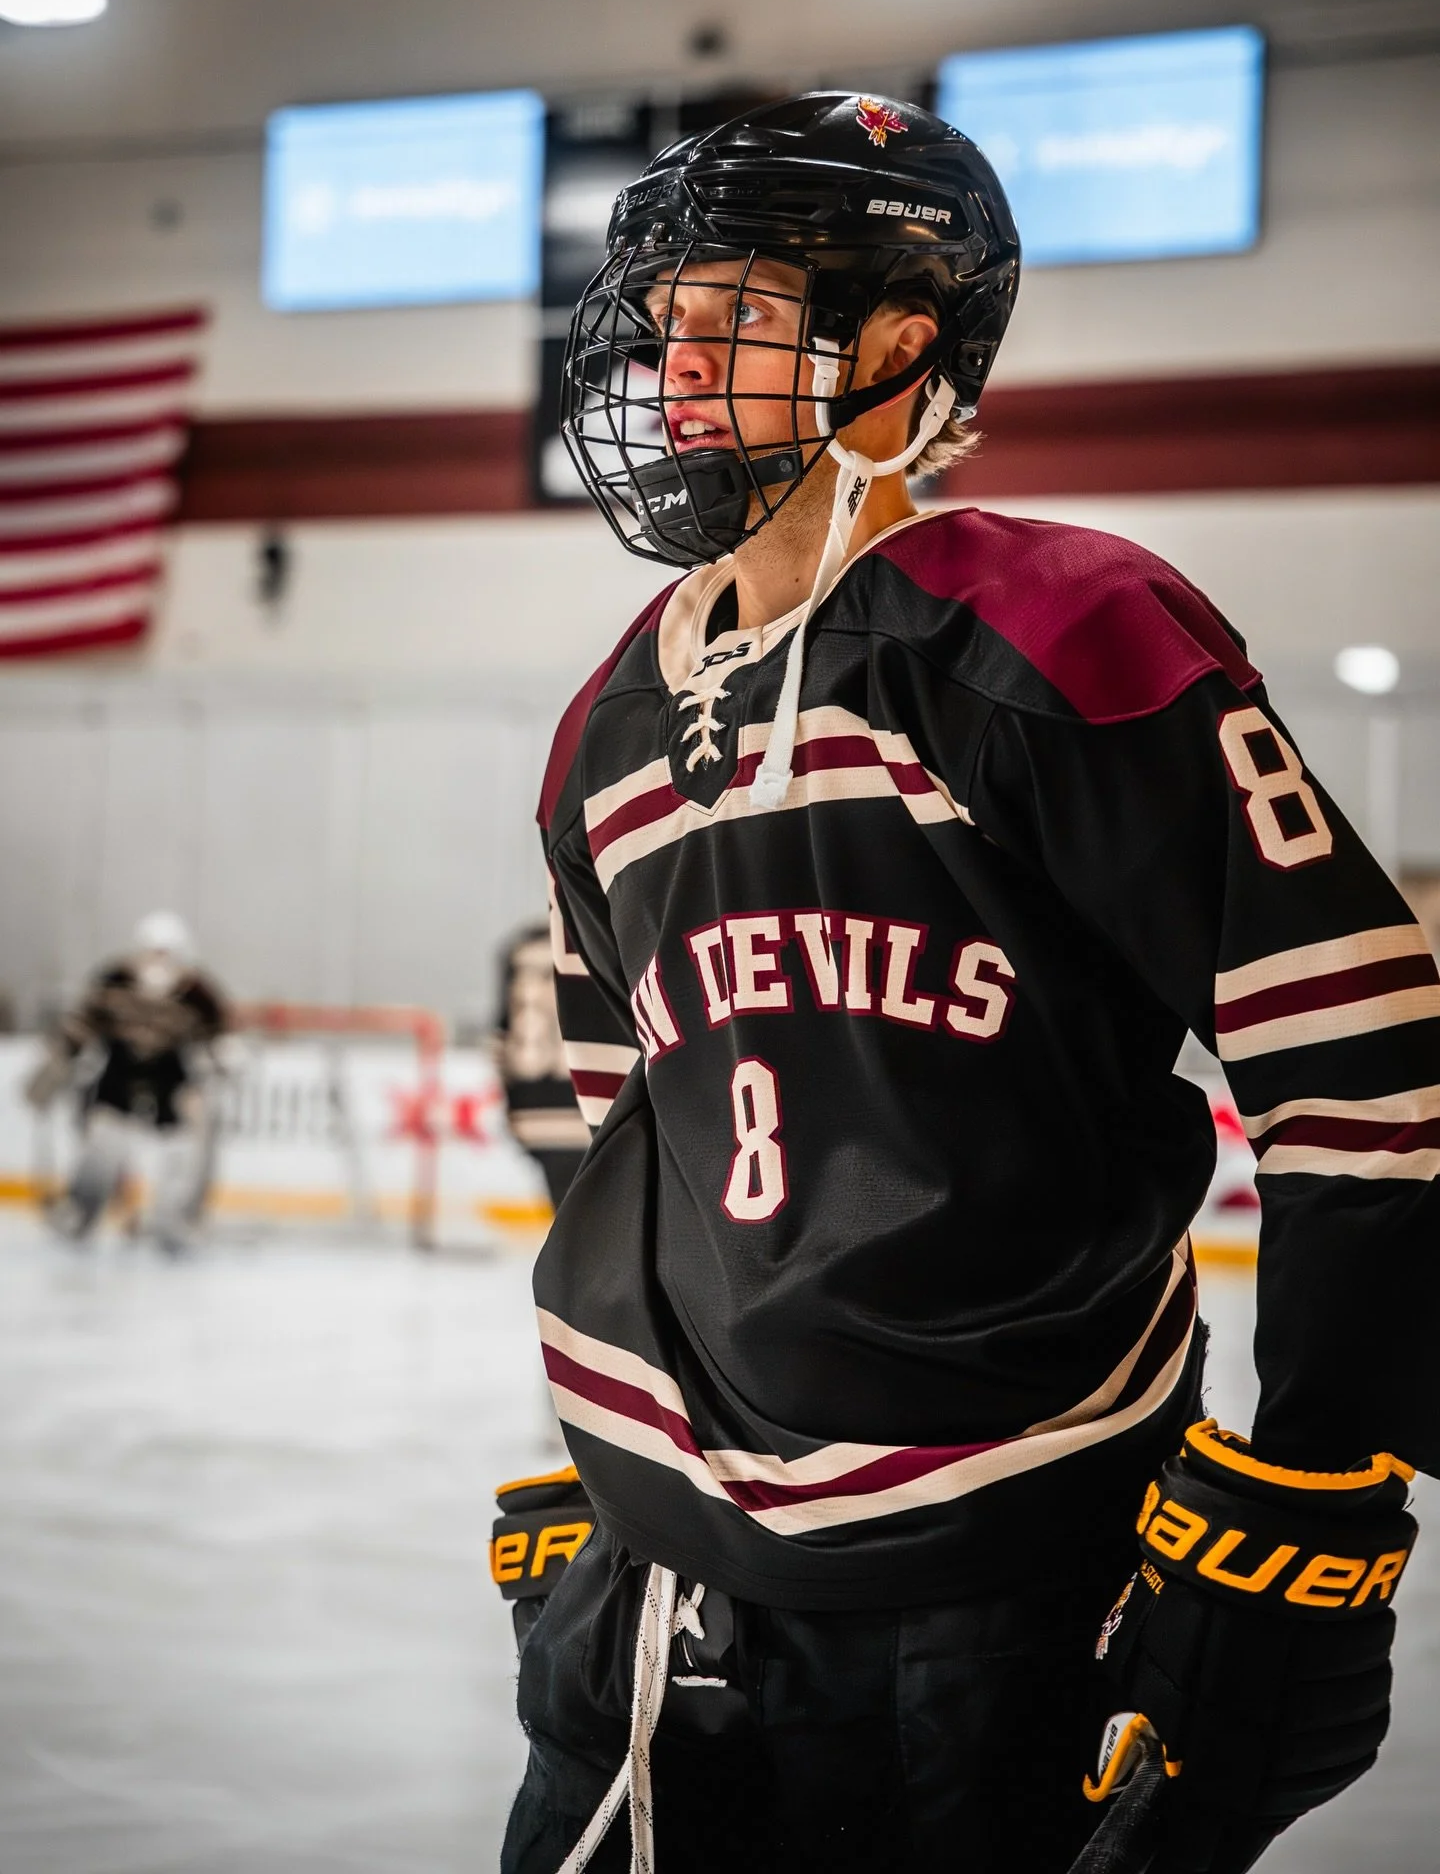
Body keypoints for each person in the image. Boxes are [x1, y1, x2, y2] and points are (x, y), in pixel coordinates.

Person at [500, 92, 1438, 1873]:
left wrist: (1314, 1475)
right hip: (665, 1576)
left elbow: (1369, 1079)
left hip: (1009, 1560)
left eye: (736, 313)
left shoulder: (1065, 628)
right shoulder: (605, 728)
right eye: (663, 319)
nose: (675, 365)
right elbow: (615, 1131)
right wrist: (590, 1440)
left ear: (897, 343)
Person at [27, 910, 230, 1254]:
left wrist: (223, 1060)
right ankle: (81, 1211)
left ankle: (176, 1217)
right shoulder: (113, 980)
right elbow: (81, 1026)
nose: (158, 962)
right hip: (118, 1079)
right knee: (101, 1150)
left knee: (182, 1153)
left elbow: (217, 1039)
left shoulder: (198, 993)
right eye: (153, 952)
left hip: (171, 1083)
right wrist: (56, 1063)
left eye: (167, 954)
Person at [493, 921, 590, 1208]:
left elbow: (501, 1031)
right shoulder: (588, 941)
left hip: (532, 1112)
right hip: (582, 1115)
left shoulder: (518, 948)